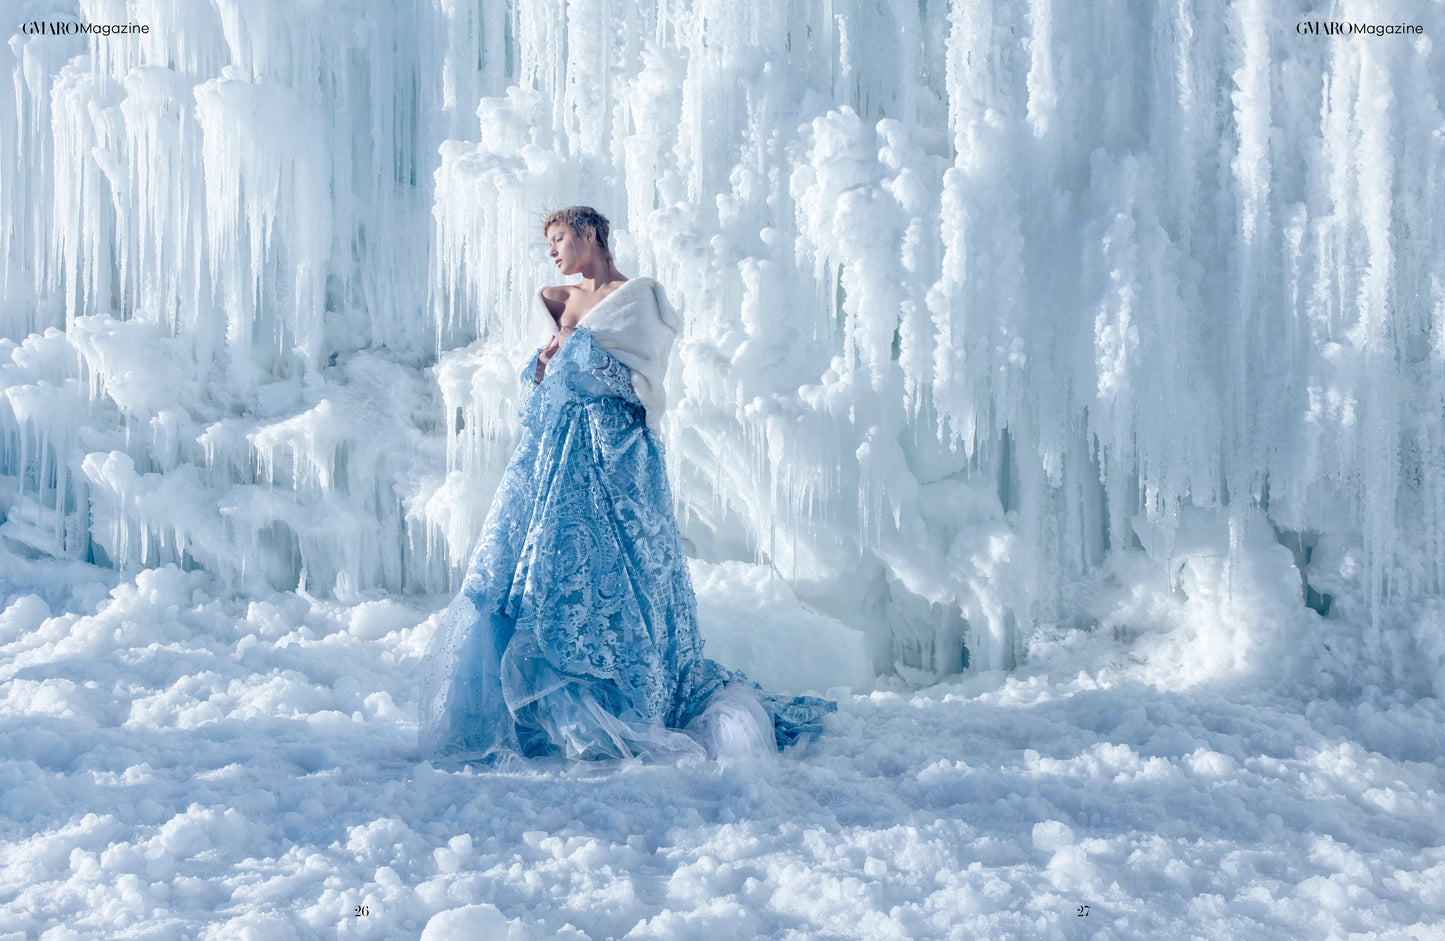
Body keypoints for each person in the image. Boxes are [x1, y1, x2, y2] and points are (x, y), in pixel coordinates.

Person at [418, 206, 836, 764]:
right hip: (555, 451)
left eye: (560, 238)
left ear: (590, 233)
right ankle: (549, 717)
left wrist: (578, 356)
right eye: (550, 243)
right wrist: (545, 366)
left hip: (616, 450)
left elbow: (642, 381)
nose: (554, 253)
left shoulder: (640, 297)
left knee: (617, 571)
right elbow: (544, 390)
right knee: (547, 568)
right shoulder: (557, 299)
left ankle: (618, 701)